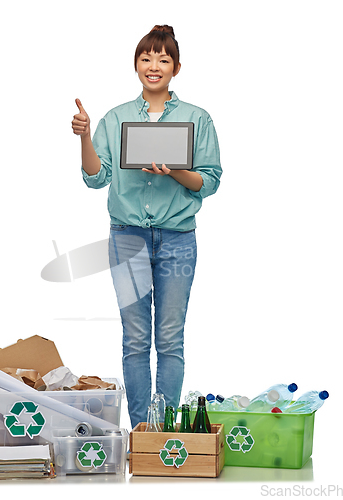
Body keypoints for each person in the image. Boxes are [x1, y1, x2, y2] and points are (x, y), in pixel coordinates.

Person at [72, 25, 222, 429]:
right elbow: (96, 177)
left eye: (163, 59)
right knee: (135, 340)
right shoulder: (116, 118)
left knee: (170, 340)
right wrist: (85, 137)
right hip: (128, 238)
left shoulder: (197, 118)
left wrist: (176, 170)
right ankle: (141, 433)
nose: (154, 66)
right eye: (146, 58)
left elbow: (209, 181)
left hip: (177, 239)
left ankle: (165, 431)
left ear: (176, 67)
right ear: (136, 65)